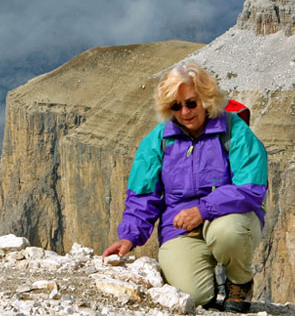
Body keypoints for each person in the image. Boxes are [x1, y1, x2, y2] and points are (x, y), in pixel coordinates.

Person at [102, 63, 268, 313]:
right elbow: (143, 196)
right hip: (179, 228)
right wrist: (129, 237)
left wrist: (202, 210)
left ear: (206, 98)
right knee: (192, 296)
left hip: (229, 218)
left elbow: (250, 188)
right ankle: (208, 286)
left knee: (228, 233)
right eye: (175, 106)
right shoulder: (158, 141)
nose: (184, 112)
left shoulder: (234, 130)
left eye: (191, 103)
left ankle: (239, 283)